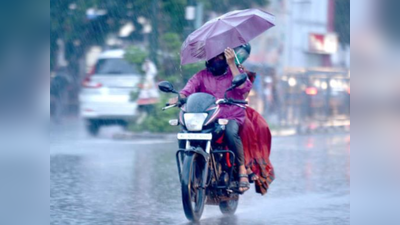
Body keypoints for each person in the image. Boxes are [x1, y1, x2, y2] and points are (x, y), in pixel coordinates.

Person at [170, 47, 252, 193]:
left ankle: (241, 169)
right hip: (207, 118)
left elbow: (243, 88)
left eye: (219, 57)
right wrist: (178, 98)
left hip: (230, 116)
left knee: (230, 133)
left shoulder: (236, 72)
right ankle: (188, 172)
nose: (215, 61)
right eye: (212, 57)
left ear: (225, 58)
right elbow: (187, 90)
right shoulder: (201, 76)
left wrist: (232, 64)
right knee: (184, 132)